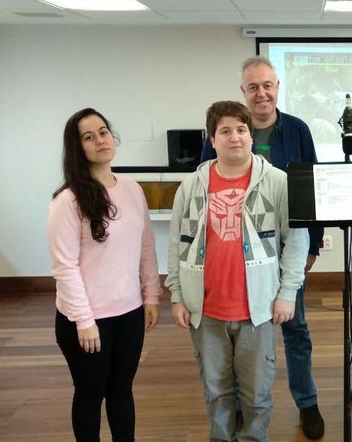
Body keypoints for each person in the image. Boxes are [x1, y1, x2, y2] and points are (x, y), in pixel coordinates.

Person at [200, 56, 326, 439]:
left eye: (267, 85)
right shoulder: (223, 134)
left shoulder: (298, 130)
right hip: (238, 261)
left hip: (286, 252)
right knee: (241, 336)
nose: (261, 93)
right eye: (253, 87)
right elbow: (206, 193)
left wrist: (312, 246)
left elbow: (311, 191)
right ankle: (240, 407)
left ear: (277, 88)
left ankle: (307, 402)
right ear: (243, 91)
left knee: (295, 330)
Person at [169, 100, 309, 442]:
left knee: (257, 395)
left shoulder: (277, 182)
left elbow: (297, 240)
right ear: (212, 139)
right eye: (225, 131)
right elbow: (176, 244)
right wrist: (176, 294)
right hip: (206, 311)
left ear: (251, 135)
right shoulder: (191, 186)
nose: (235, 137)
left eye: (242, 130)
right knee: (216, 392)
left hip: (258, 311)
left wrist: (288, 293)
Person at [47, 108, 161, 442]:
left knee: (122, 391)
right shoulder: (67, 201)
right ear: (77, 148)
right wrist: (84, 320)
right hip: (87, 320)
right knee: (89, 394)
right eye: (89, 137)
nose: (100, 140)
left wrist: (151, 296)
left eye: (103, 132)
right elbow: (64, 267)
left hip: (129, 313)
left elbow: (145, 245)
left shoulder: (132, 189)